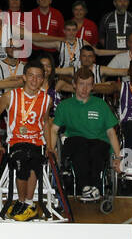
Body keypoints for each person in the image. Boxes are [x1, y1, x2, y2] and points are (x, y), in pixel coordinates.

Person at [0, 63, 54, 221]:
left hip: (37, 142)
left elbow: (46, 123)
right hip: (16, 141)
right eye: (31, 75)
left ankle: (29, 204)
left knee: (35, 160)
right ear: (24, 77)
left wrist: (50, 146)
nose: (34, 79)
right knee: (21, 159)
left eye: (39, 76)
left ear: (42, 80)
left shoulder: (46, 99)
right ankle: (21, 201)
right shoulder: (10, 96)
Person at [51, 68, 123, 202]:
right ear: (74, 84)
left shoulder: (100, 104)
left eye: (89, 84)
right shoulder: (64, 106)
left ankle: (92, 187)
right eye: (81, 84)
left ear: (93, 86)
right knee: (80, 143)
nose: (85, 89)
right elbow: (54, 130)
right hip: (75, 142)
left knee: (96, 148)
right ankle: (86, 187)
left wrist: (118, 156)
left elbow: (111, 133)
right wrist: (51, 149)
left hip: (98, 143)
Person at [28, 0, 65, 65]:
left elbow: (62, 35)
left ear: (50, 1)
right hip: (35, 52)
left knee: (52, 75)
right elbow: (27, 36)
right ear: (38, 1)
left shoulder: (57, 14)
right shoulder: (30, 14)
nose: (44, 0)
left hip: (52, 52)